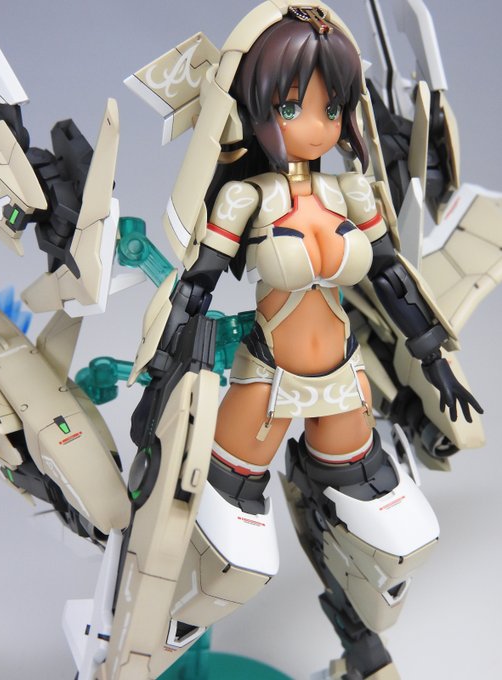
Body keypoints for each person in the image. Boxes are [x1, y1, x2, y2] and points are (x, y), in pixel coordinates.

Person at [113, 4, 482, 680]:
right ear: (255, 112)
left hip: (344, 382)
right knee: (230, 559)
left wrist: (434, 358)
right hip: (267, 385)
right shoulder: (245, 201)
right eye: (292, 107)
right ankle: (139, 649)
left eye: (330, 108)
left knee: (399, 542)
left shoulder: (352, 194)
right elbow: (194, 290)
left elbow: (393, 279)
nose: (317, 125)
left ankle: (359, 646)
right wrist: (159, 380)